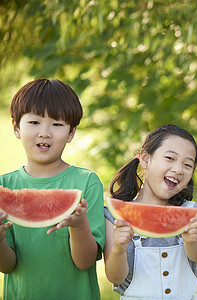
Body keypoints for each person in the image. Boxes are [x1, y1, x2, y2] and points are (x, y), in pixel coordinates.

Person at [0, 78, 105, 299]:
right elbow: (7, 266)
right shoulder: (4, 187)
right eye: (34, 122)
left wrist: (78, 226)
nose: (45, 132)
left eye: (57, 124)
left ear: (71, 133)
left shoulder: (87, 182)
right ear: (16, 127)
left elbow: (85, 262)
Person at [103, 124, 197, 299]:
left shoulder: (193, 211)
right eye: (170, 158)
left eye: (188, 165)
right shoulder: (115, 217)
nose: (178, 169)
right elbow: (115, 277)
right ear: (145, 158)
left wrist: (194, 239)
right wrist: (118, 249)